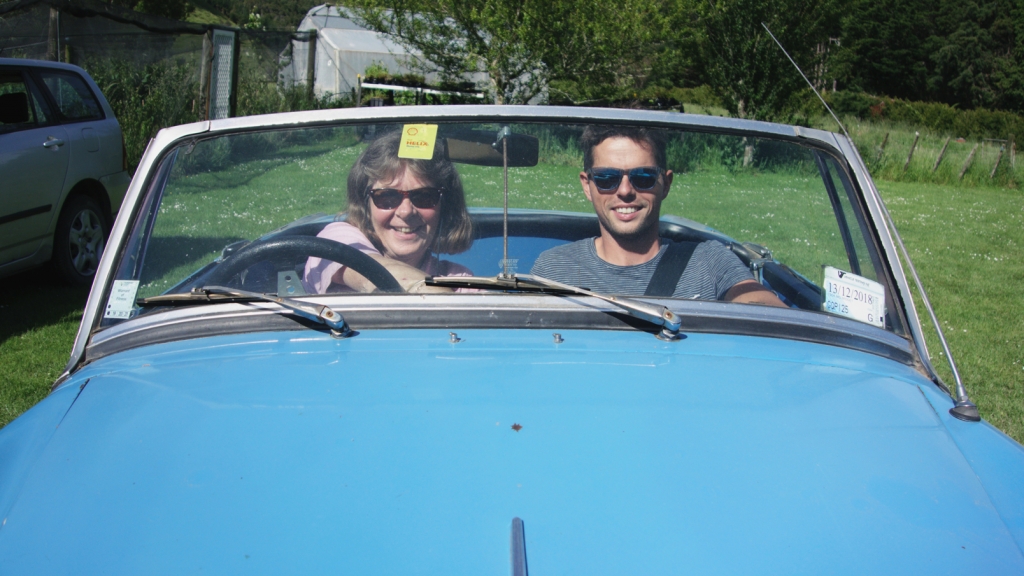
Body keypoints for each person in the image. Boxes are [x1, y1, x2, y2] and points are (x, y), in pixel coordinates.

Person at [531, 125, 785, 306]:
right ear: (587, 186)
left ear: (666, 183)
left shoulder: (709, 262)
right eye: (607, 178)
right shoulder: (554, 269)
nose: (625, 191)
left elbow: (767, 311)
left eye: (643, 177)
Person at [304, 130, 474, 293]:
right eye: (387, 197)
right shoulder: (337, 239)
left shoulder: (459, 281)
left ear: (445, 206)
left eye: (424, 196)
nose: (406, 211)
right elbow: (368, 270)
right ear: (364, 203)